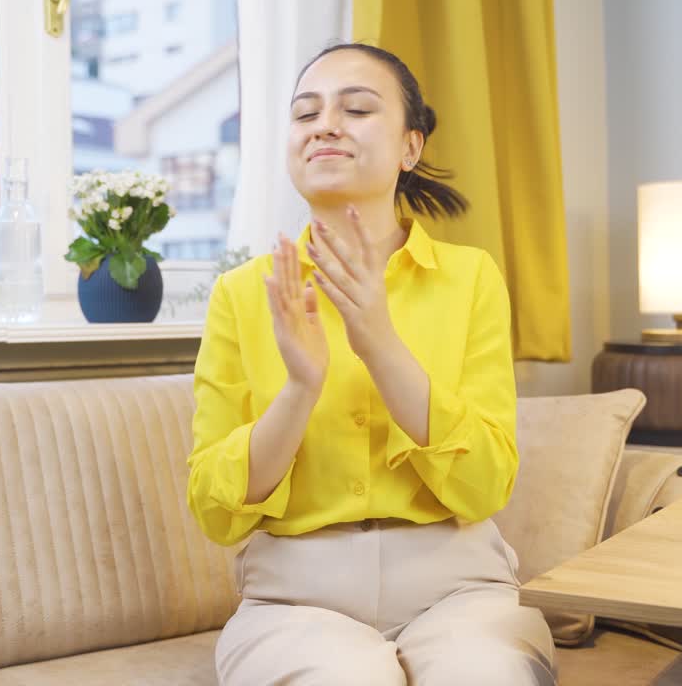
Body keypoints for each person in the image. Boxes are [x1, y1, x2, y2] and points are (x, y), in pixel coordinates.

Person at [187, 43, 556, 685]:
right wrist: (300, 388)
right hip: (294, 600)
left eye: (356, 109)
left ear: (410, 147)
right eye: (306, 114)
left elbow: (486, 484)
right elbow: (216, 512)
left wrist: (378, 342)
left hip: (459, 587)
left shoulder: (470, 278)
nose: (325, 126)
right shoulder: (241, 294)